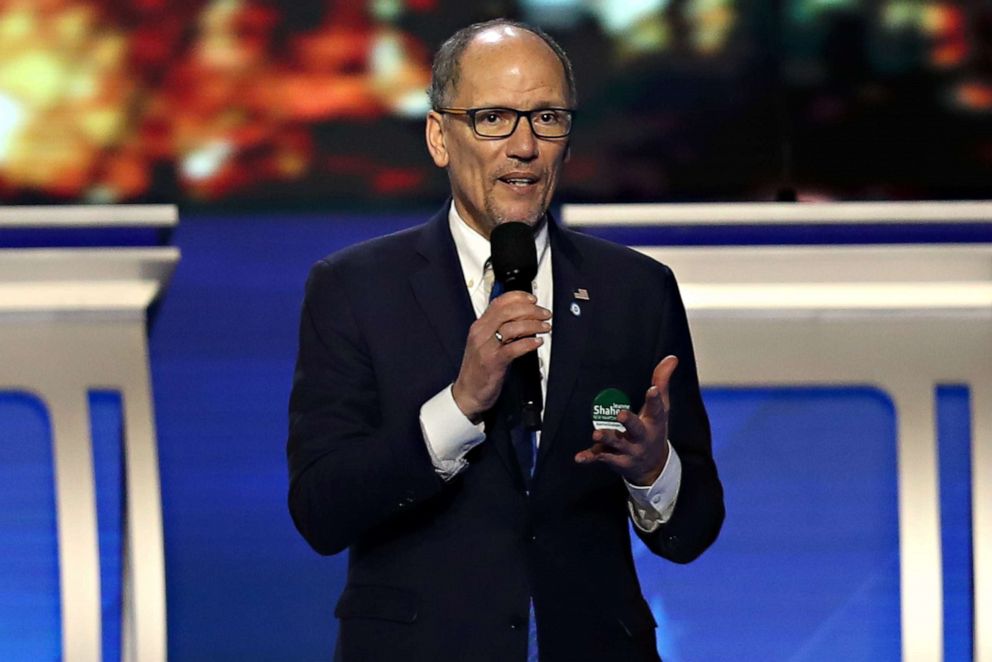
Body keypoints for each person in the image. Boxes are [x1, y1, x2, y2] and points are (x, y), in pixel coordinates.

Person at [287, 19, 724, 661]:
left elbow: (693, 531)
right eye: (493, 117)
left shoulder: (635, 289)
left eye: (547, 118)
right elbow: (321, 510)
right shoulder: (353, 289)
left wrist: (653, 469)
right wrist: (458, 407)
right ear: (440, 136)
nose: (524, 146)